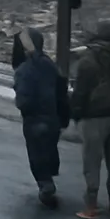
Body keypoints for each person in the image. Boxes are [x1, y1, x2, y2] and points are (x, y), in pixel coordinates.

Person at [71, 20, 110, 219]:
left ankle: (91, 207)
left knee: (92, 161)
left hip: (93, 117)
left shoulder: (88, 60)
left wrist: (75, 113)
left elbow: (80, 93)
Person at [12, 27, 71, 208]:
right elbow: (62, 92)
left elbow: (23, 100)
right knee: (50, 148)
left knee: (36, 153)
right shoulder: (49, 65)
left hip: (34, 120)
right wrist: (64, 117)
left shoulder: (23, 70)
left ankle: (46, 184)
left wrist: (22, 104)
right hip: (52, 118)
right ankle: (50, 175)